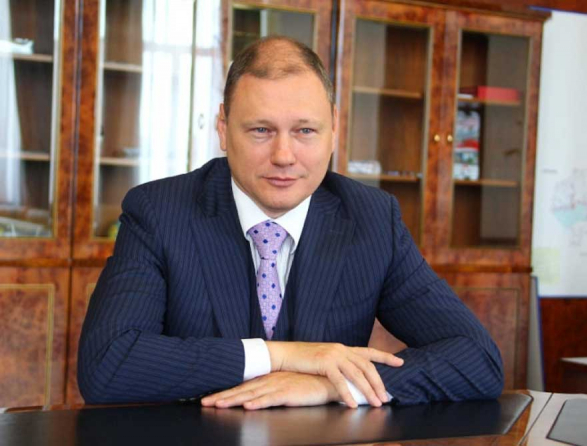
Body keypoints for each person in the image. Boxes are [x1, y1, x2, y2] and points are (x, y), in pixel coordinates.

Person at [78, 36, 503, 409]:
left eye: (305, 131)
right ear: (223, 129)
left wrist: (331, 384)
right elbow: (107, 365)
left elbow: (478, 359)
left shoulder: (371, 219)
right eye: (261, 130)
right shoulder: (159, 212)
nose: (284, 156)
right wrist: (282, 356)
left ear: (334, 129)